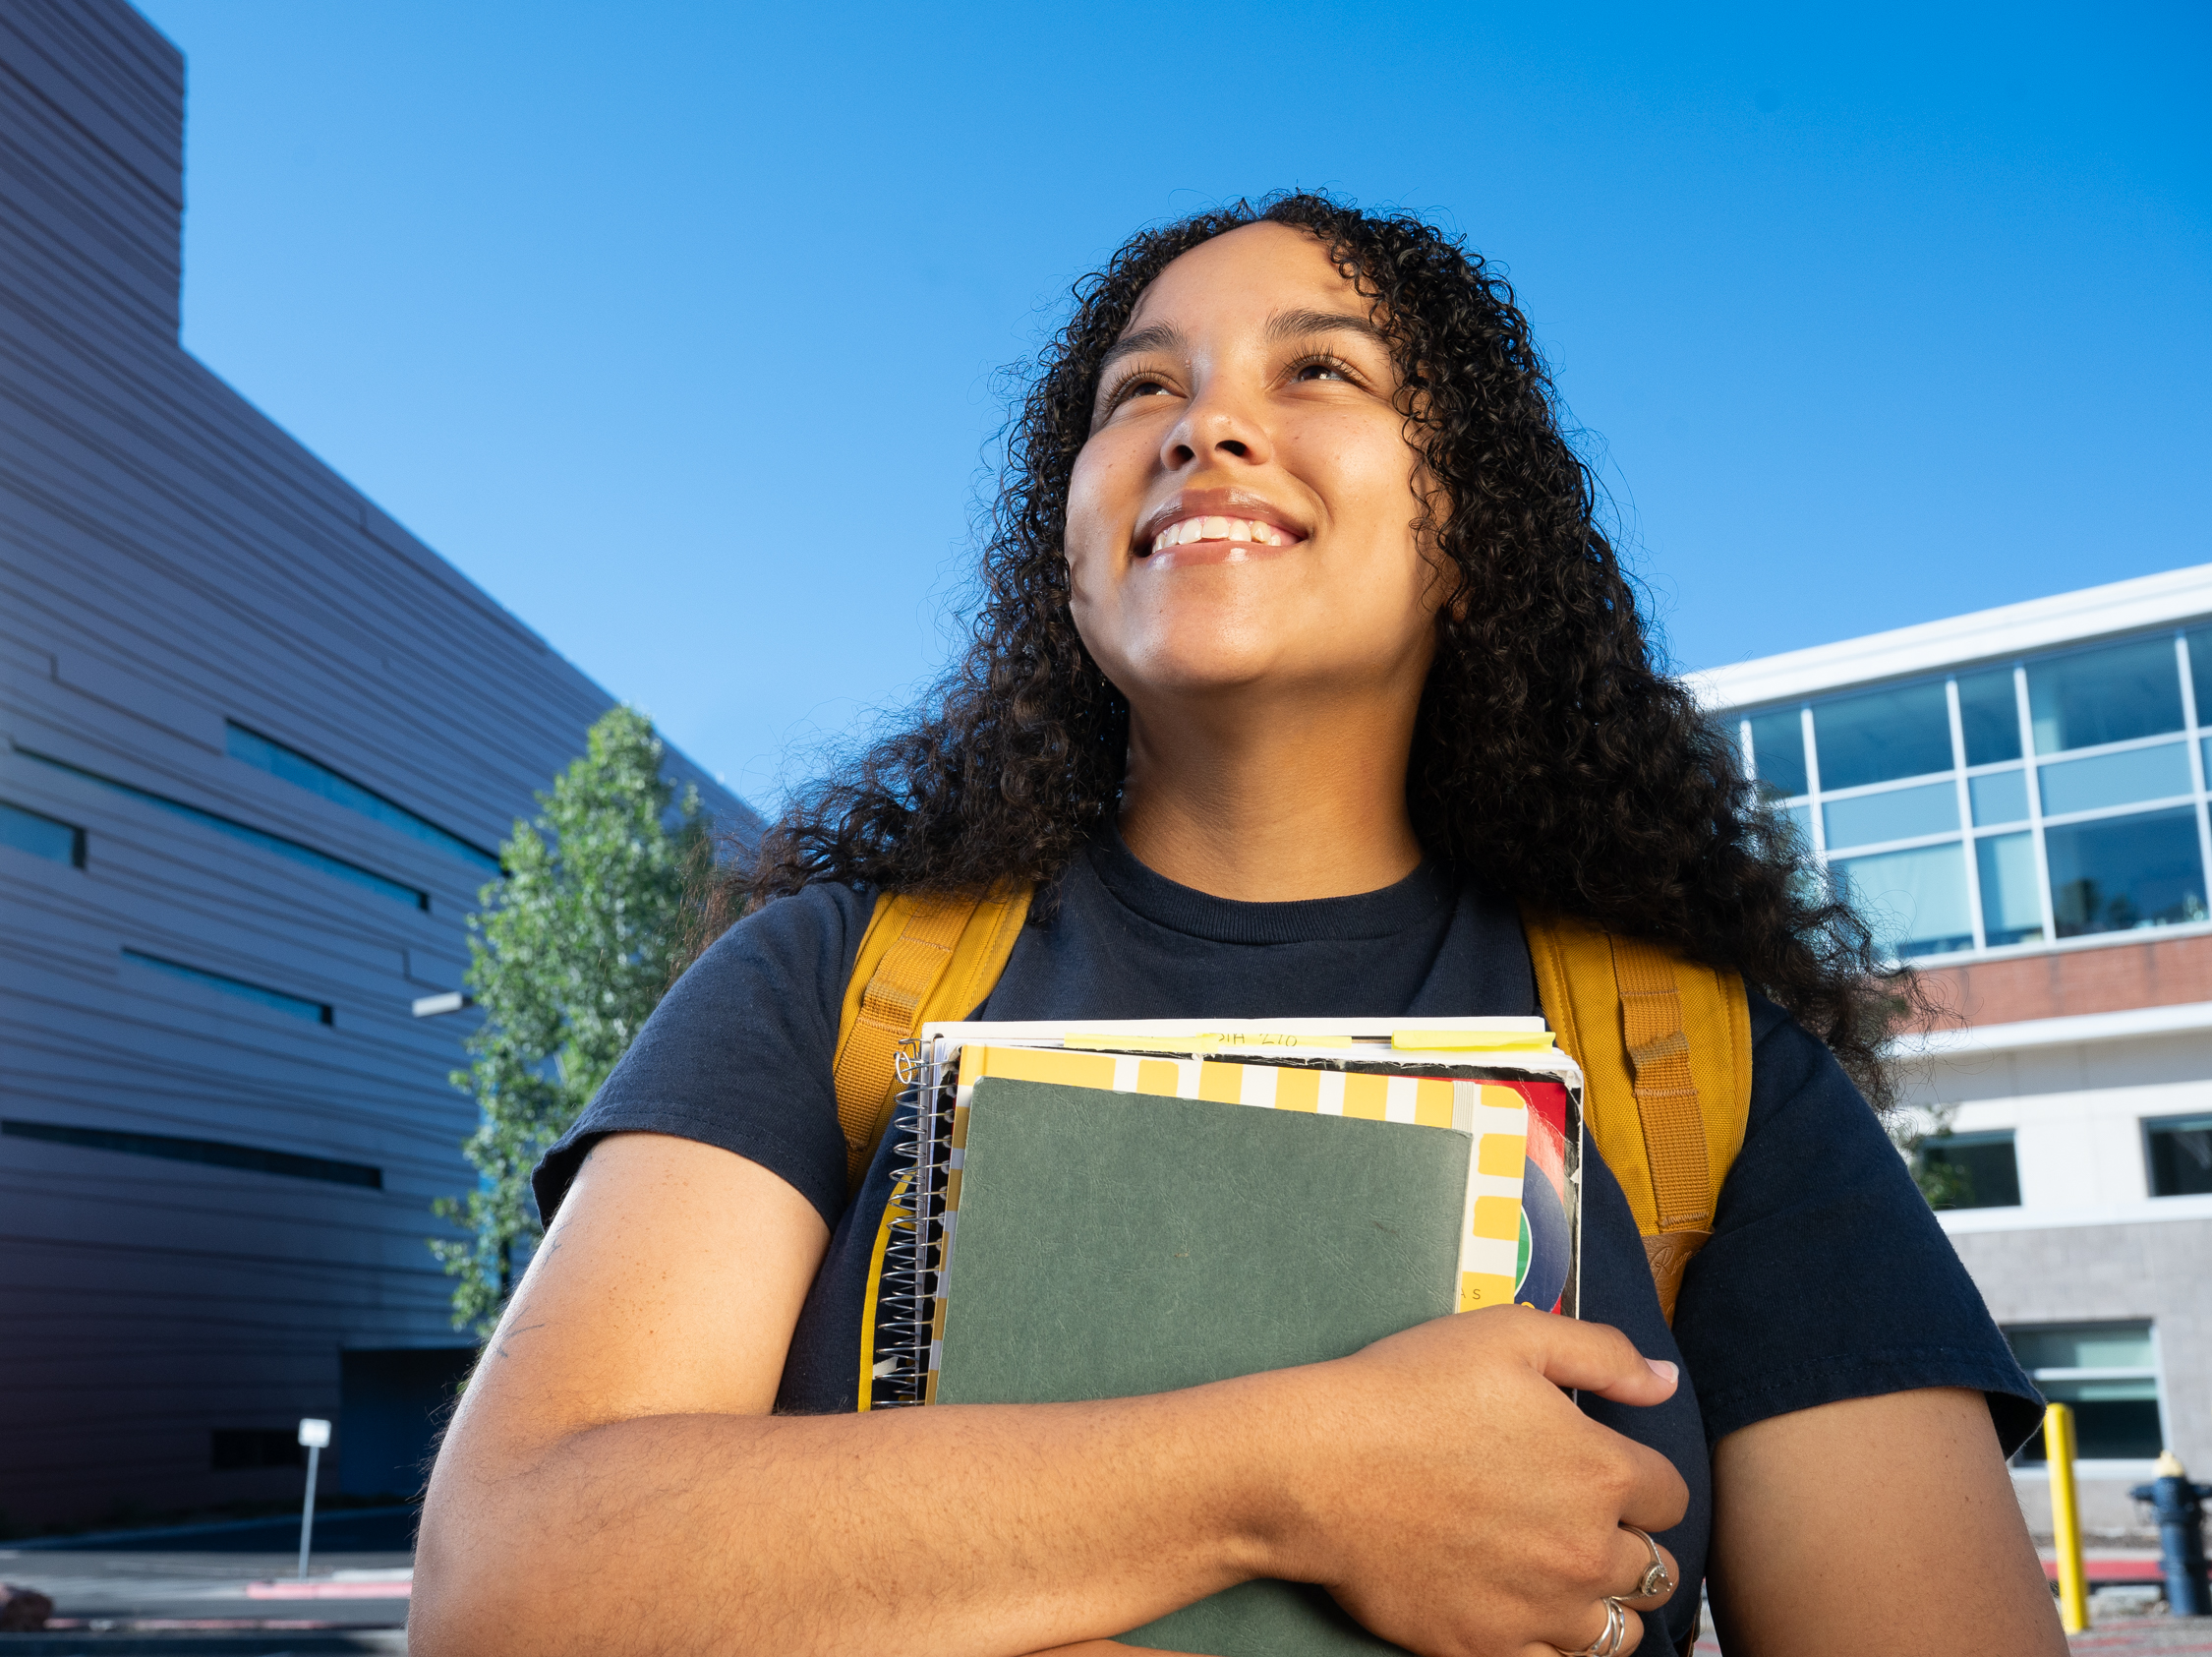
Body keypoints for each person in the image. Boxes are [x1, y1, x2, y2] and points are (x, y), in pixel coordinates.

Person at [411, 194, 2066, 1657]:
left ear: (1470, 542)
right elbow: (508, 1588)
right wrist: (1297, 1476)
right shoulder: (823, 985)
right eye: (1144, 387)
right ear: (1063, 550)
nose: (1204, 428)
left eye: (1320, 372)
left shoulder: (1703, 1066)